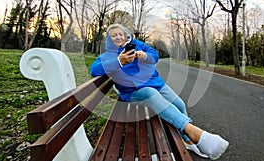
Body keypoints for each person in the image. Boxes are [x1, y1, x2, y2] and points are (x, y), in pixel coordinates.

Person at [90, 23, 229, 160]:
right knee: (151, 94)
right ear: (109, 39)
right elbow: (94, 70)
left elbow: (154, 55)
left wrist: (145, 56)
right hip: (134, 92)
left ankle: (187, 141)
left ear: (126, 35)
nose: (118, 37)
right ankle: (195, 134)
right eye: (114, 35)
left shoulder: (137, 44)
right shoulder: (109, 55)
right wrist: (119, 61)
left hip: (156, 83)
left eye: (120, 34)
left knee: (179, 104)